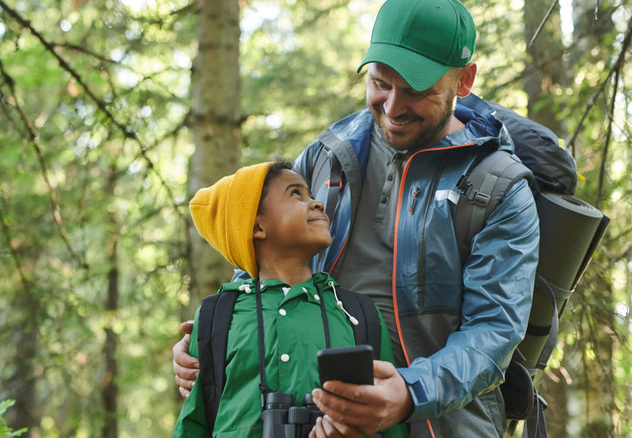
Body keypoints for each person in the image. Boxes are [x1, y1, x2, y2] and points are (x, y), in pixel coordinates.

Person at [175, 0, 541, 436]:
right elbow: (260, 259)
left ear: (464, 80)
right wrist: (213, 338)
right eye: (380, 83)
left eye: (416, 91)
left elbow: (494, 330)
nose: (393, 107)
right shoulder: (328, 155)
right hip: (316, 421)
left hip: (443, 426)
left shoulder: (497, 187)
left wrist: (409, 392)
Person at [173, 159, 406, 437]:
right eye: (296, 193)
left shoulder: (359, 313)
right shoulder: (217, 316)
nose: (318, 203)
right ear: (256, 226)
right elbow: (193, 425)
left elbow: (391, 424)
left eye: (311, 194)